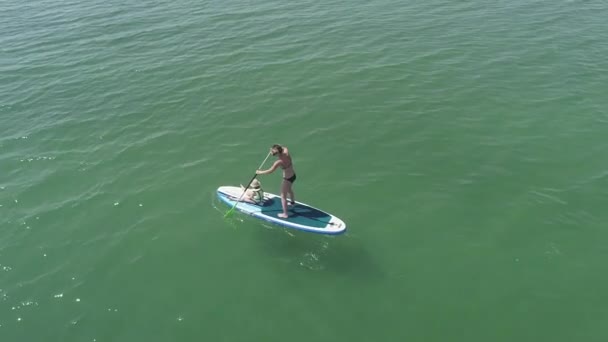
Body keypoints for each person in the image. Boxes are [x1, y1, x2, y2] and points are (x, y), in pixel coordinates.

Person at [256, 144, 296, 218]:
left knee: (283, 196)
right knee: (289, 190)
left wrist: (260, 172)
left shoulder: (279, 162)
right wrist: (275, 149)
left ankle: (285, 214)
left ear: (277, 153)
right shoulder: (286, 151)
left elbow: (270, 171)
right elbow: (283, 147)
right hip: (293, 176)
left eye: (273, 153)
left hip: (287, 179)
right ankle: (292, 203)